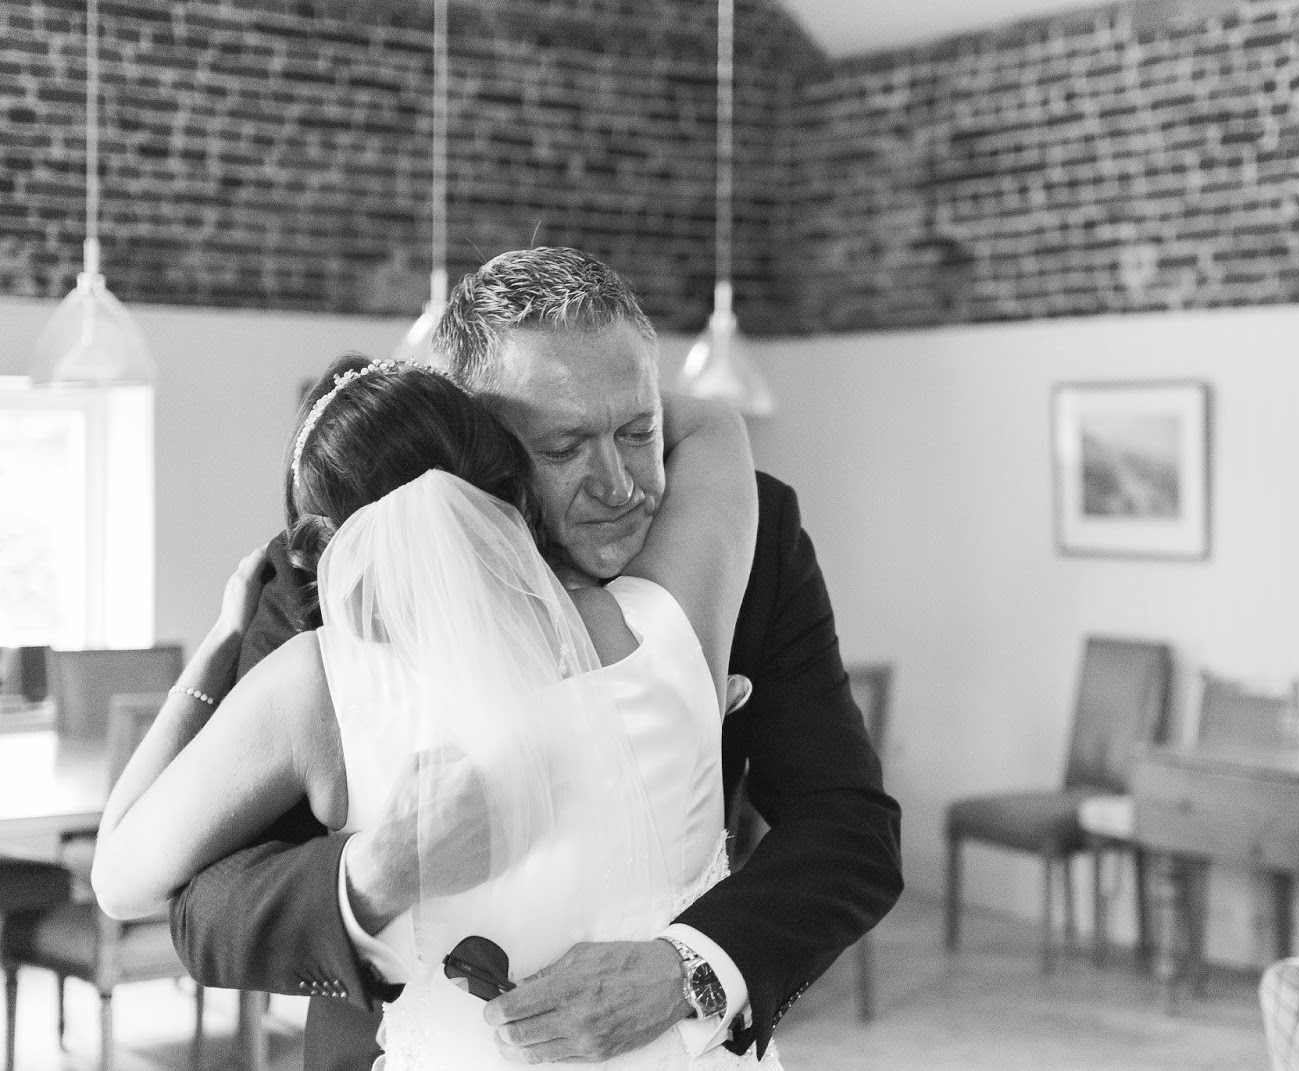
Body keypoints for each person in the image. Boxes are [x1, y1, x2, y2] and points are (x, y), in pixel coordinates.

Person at [164, 248, 903, 1071]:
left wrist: (691, 969)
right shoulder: (341, 566)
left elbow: (849, 825)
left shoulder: (749, 535)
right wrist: (371, 876)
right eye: (563, 447)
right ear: (475, 452)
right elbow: (206, 904)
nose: (620, 485)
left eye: (639, 430)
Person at [94, 354, 772, 1068]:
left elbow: (117, 880)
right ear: (513, 493)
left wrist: (219, 644)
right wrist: (520, 395)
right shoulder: (665, 622)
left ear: (319, 546)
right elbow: (714, 425)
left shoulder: (316, 687)